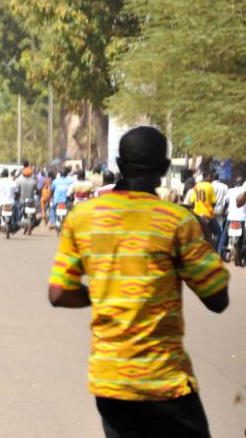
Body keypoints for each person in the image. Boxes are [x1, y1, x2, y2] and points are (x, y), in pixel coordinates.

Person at [48, 126, 228, 438]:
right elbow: (217, 298)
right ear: (164, 168)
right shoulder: (177, 221)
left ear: (119, 164)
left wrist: (105, 294)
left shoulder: (83, 217)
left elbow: (59, 292)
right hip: (164, 381)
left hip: (110, 380)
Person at [188, 170, 217, 248]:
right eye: (211, 177)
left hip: (197, 214)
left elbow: (191, 202)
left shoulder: (196, 186)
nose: (212, 179)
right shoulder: (210, 186)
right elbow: (214, 202)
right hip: (207, 214)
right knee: (218, 232)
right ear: (207, 177)